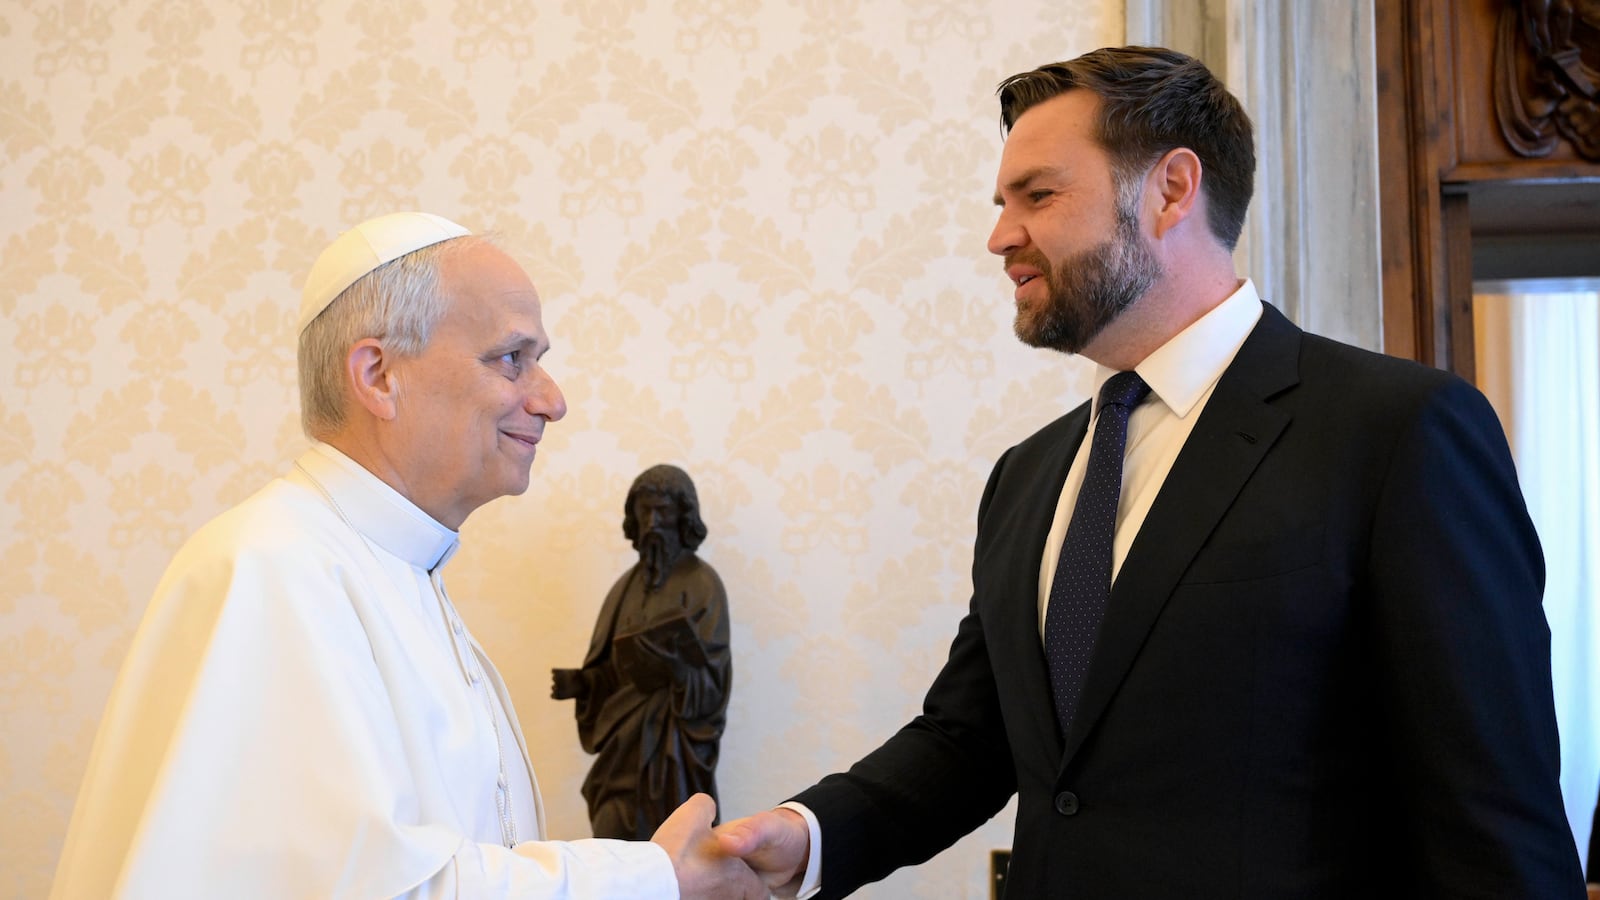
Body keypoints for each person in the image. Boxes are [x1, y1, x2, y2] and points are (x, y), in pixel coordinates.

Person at [718, 46, 1587, 898]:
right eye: (1001, 201)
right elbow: (970, 740)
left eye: (1039, 195)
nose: (999, 237)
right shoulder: (1027, 477)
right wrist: (805, 837)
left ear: (1171, 189)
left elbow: (1491, 816)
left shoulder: (1398, 432)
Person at [48, 212, 763, 899]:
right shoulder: (274, 569)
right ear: (379, 376)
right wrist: (652, 879)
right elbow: (374, 890)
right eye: (513, 359)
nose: (551, 400)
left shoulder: (395, 570)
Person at [552, 464, 732, 840]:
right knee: (610, 839)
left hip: (674, 760)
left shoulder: (701, 583)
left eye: (663, 511)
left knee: (676, 857)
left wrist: (678, 673)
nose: (652, 522)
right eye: (644, 510)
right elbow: (613, 670)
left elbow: (713, 682)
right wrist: (583, 683)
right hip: (621, 757)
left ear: (682, 516)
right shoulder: (624, 588)